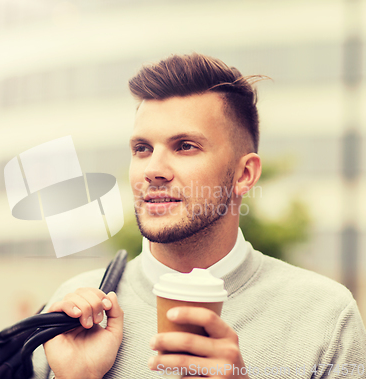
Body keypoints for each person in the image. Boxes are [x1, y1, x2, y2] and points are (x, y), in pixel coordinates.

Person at [31, 53, 366, 379]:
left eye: (185, 146)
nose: (154, 170)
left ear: (245, 174)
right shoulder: (72, 311)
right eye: (142, 149)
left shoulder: (325, 316)